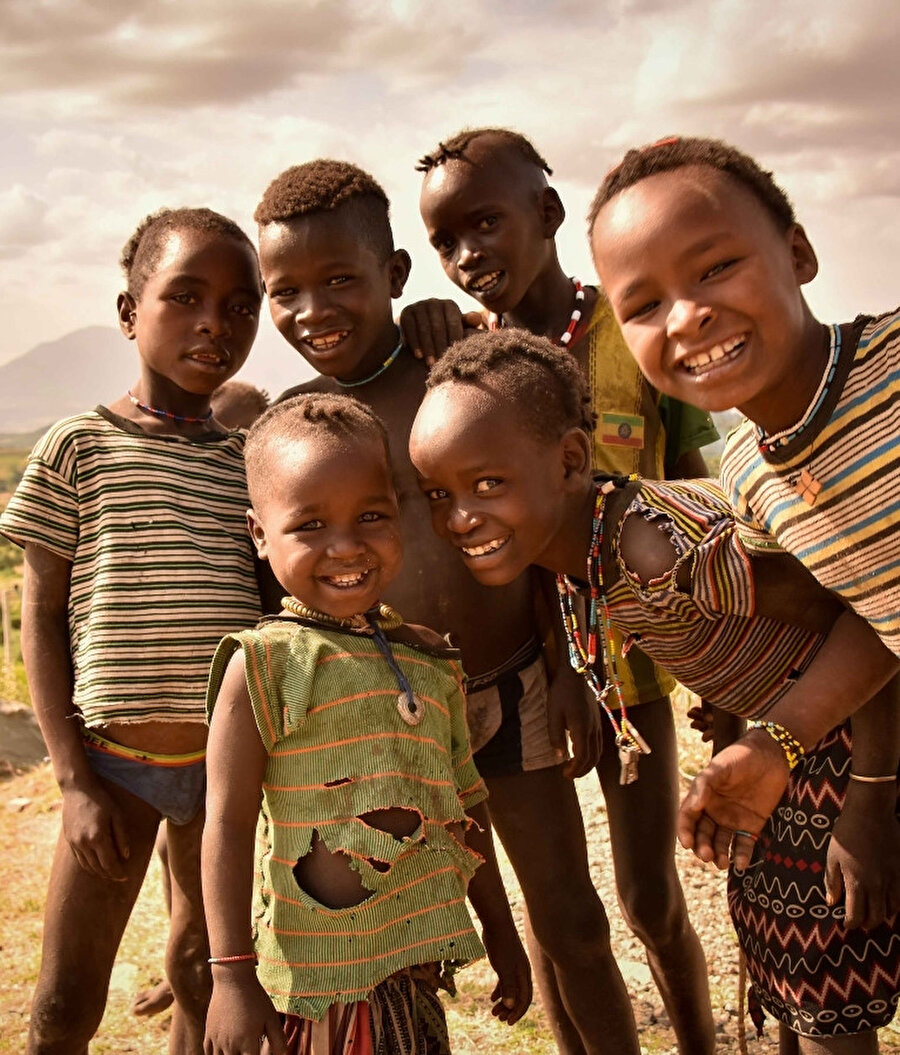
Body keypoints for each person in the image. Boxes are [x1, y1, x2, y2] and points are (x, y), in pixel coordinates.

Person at [408, 328, 900, 1055]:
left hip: (854, 738)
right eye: (437, 495)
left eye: (487, 485)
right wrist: (734, 699)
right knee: (790, 954)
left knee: (825, 983)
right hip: (801, 739)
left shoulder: (650, 546)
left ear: (571, 460)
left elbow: (872, 615)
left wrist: (871, 799)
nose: (459, 518)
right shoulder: (582, 553)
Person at [254, 158, 643, 1054]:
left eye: (341, 281)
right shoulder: (290, 425)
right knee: (410, 940)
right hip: (384, 718)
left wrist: (569, 663)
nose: (314, 311)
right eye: (289, 291)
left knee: (571, 922)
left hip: (509, 686)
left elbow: (529, 532)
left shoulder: (447, 370)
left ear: (395, 276)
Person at [412, 126, 718, 1054]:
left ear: (546, 214)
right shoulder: (467, 365)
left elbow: (698, 484)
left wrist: (725, 676)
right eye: (445, 241)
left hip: (647, 658)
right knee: (557, 905)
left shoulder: (633, 336)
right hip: (532, 667)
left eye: (486, 224)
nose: (468, 255)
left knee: (649, 895)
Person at [587, 136, 900, 868]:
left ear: (798, 255)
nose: (686, 315)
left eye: (717, 268)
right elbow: (874, 613)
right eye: (643, 304)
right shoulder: (749, 479)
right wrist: (774, 740)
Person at [0, 207, 264, 1054]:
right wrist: (73, 779)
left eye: (239, 304)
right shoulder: (79, 446)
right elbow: (40, 617)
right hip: (113, 768)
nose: (213, 323)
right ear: (128, 312)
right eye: (184, 296)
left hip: (225, 767)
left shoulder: (249, 463)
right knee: (64, 1003)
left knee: (199, 967)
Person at [202, 392, 530, 1054]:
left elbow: (463, 808)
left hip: (410, 976)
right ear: (261, 535)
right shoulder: (263, 663)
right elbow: (227, 825)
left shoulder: (429, 661)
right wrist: (232, 976)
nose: (346, 545)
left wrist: (500, 927)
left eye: (371, 515)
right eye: (310, 525)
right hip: (317, 988)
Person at [131, 375, 272, 1021]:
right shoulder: (177, 499)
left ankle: (191, 986)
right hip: (162, 732)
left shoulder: (259, 518)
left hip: (216, 730)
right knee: (181, 881)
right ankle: (186, 975)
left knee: (197, 906)